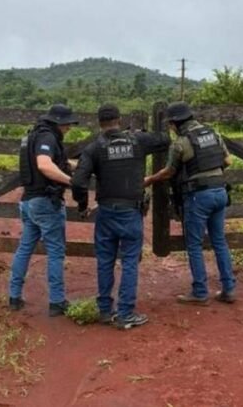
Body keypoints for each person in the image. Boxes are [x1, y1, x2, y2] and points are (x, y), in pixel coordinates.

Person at [71, 104, 170, 330]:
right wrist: (139, 133)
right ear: (119, 119)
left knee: (105, 261)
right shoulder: (137, 142)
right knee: (129, 262)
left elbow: (78, 181)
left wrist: (83, 205)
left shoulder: (94, 148)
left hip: (105, 211)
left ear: (99, 122)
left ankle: (105, 310)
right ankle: (125, 313)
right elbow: (165, 139)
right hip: (130, 211)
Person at [144, 102, 237, 305]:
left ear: (176, 123)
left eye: (170, 124)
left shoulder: (181, 143)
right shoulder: (213, 134)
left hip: (199, 196)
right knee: (219, 241)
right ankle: (229, 289)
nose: (170, 127)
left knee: (194, 244)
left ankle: (200, 292)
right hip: (220, 191)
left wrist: (149, 180)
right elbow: (228, 161)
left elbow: (169, 171)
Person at [8, 104, 78, 317]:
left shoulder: (34, 135)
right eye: (67, 124)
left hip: (29, 201)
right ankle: (57, 301)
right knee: (56, 251)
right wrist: (72, 182)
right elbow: (45, 165)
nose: (69, 128)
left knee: (25, 248)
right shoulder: (47, 138)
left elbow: (60, 162)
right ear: (59, 122)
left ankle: (14, 296)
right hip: (46, 202)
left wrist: (85, 165)